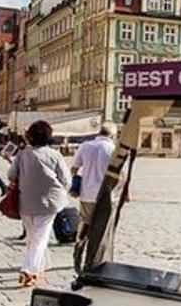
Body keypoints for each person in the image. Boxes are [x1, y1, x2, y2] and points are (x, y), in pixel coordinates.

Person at [10, 120, 71, 287]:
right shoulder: (54, 155)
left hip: (26, 202)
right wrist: (62, 191)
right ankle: (29, 270)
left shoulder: (22, 154)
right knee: (40, 237)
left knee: (33, 237)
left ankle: (41, 266)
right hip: (49, 201)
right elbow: (66, 180)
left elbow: (10, 175)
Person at [71, 122, 116, 237]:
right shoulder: (113, 149)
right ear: (112, 136)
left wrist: (75, 182)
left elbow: (74, 168)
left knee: (85, 221)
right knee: (103, 223)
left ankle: (81, 242)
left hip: (87, 192)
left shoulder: (85, 146)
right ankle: (97, 244)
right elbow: (121, 174)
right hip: (106, 194)